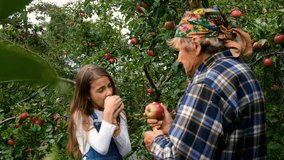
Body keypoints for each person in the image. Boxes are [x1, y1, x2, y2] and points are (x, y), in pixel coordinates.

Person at [143, 0, 266, 159]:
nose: (179, 59)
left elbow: (181, 157)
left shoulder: (207, 83)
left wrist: (155, 141)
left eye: (180, 50)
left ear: (196, 45)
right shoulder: (240, 69)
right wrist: (172, 127)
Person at [67, 64, 131, 160]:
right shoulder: (82, 116)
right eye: (101, 90)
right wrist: (108, 114)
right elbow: (101, 148)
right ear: (87, 95)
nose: (109, 92)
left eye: (109, 86)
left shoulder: (119, 113)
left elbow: (126, 151)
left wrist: (115, 125)